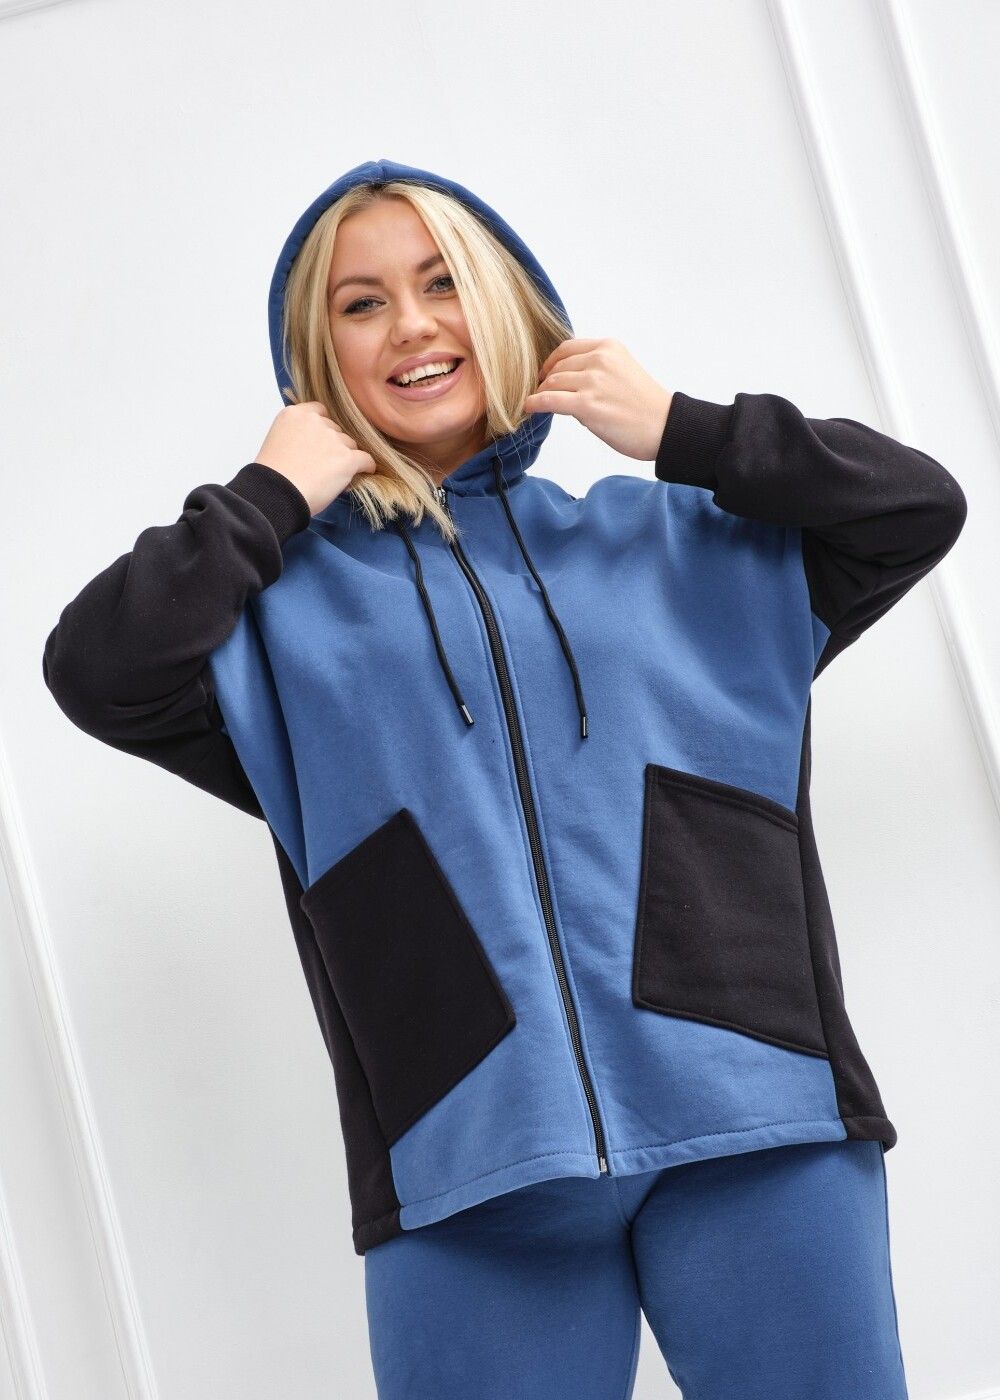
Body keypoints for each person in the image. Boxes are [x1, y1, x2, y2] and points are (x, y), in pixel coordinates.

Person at [43, 157, 966, 1398]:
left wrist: (685, 430)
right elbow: (96, 668)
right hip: (469, 1172)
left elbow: (914, 506)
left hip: (757, 1118)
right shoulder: (277, 618)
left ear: (504, 305)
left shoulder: (678, 542)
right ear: (317, 358)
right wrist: (265, 499)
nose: (410, 324)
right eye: (360, 303)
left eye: (441, 284)